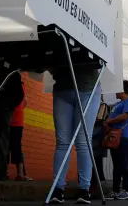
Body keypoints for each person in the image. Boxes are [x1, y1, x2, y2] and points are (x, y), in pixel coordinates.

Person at [48, 66, 101, 204]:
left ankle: (80, 188)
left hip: (82, 86)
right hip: (69, 86)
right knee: (70, 142)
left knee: (77, 142)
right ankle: (62, 188)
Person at [105, 80, 128, 200]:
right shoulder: (118, 103)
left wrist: (109, 121)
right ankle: (115, 190)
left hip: (124, 136)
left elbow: (126, 115)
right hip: (114, 135)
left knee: (123, 162)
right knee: (116, 164)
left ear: (122, 89)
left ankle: (126, 190)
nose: (114, 91)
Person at [9, 81, 32, 181]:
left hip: (12, 119)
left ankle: (20, 174)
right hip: (17, 120)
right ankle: (21, 174)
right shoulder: (21, 86)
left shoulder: (15, 84)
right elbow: (25, 102)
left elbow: (24, 102)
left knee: (8, 146)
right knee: (16, 146)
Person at [90, 96, 109, 193]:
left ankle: (95, 185)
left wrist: (88, 120)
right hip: (92, 135)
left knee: (95, 160)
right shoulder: (90, 104)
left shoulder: (102, 105)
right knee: (90, 160)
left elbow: (99, 119)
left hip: (97, 136)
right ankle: (91, 184)